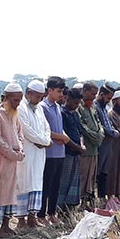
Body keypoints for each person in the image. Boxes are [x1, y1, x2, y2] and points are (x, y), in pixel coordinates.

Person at [0, 84, 25, 236]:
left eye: (19, 100)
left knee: (10, 192)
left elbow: (20, 134)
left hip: (13, 160)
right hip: (0, 160)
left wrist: (20, 149)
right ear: (6, 98)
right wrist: (13, 153)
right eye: (15, 100)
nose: (18, 103)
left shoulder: (15, 113)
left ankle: (6, 224)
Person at [16, 80, 51, 228]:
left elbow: (46, 127)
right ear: (28, 93)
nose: (39, 100)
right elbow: (26, 130)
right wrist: (43, 141)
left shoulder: (39, 109)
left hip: (39, 152)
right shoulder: (21, 108)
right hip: (27, 151)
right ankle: (21, 220)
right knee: (23, 184)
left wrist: (44, 141)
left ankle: (33, 217)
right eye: (37, 97)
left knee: (36, 183)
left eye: (42, 97)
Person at [38, 77, 69, 224]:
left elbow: (59, 127)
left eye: (62, 91)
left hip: (60, 151)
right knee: (46, 184)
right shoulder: (43, 107)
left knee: (56, 184)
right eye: (58, 91)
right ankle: (41, 214)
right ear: (49, 90)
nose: (61, 94)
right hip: (49, 152)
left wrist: (64, 137)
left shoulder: (57, 106)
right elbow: (46, 131)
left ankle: (52, 213)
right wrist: (61, 137)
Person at [57, 88, 85, 212]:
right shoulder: (62, 113)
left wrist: (82, 145)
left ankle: (69, 209)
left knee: (74, 181)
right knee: (64, 182)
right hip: (67, 153)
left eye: (78, 103)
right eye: (74, 103)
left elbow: (80, 132)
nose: (76, 106)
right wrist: (78, 147)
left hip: (76, 153)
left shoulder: (75, 114)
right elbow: (64, 136)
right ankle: (60, 209)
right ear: (67, 99)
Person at [78, 82, 104, 206]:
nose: (94, 97)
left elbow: (99, 124)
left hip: (94, 150)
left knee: (91, 178)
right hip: (85, 150)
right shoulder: (79, 107)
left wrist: (100, 135)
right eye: (92, 93)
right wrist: (96, 137)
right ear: (85, 91)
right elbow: (82, 127)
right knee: (82, 177)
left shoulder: (92, 108)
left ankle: (86, 201)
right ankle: (79, 202)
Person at [94, 84, 118, 201]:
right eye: (108, 98)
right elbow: (101, 127)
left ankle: (102, 197)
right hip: (100, 145)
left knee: (104, 172)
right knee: (97, 172)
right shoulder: (95, 107)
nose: (109, 101)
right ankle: (95, 198)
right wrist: (113, 133)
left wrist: (114, 130)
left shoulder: (105, 108)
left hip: (108, 145)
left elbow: (109, 124)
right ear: (101, 95)